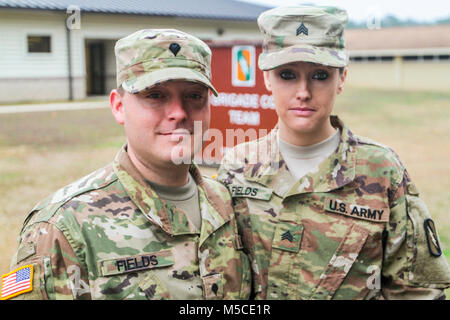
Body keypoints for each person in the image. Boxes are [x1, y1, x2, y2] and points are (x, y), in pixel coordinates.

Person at [218, 5, 450, 300]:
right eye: (287, 75)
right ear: (266, 79)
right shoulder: (237, 167)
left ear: (342, 78)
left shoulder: (381, 170)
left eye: (320, 75)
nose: (303, 91)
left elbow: (416, 292)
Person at [2, 29, 251, 300]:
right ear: (118, 106)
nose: (179, 112)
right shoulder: (62, 228)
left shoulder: (228, 203)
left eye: (194, 96)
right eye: (155, 95)